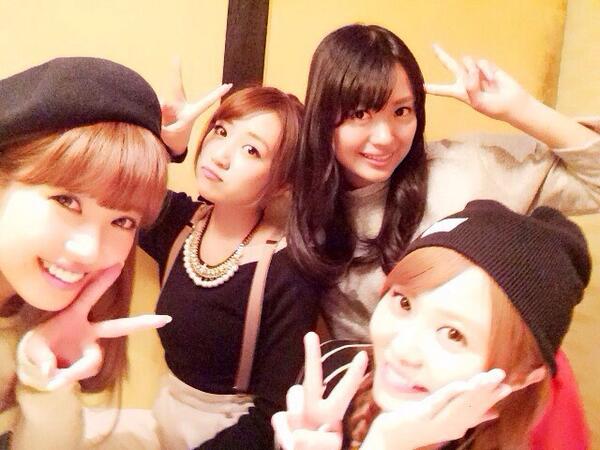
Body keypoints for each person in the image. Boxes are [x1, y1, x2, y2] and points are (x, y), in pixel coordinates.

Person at [288, 24, 600, 340]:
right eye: (359, 114)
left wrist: (520, 109)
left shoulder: (466, 169)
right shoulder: (303, 210)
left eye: (401, 111)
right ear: (323, 117)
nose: (385, 137)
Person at [74, 85, 320, 450]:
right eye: (221, 130)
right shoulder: (180, 224)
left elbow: (272, 413)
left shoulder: (286, 272)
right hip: (165, 417)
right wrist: (166, 147)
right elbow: (117, 186)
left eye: (251, 150)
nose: (220, 155)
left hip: (232, 435)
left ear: (283, 182)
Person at [273, 199, 591, 450]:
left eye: (453, 334)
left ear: (520, 376)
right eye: (404, 303)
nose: (402, 349)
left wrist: (386, 443)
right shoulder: (333, 376)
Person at [0, 56, 174, 448]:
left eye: (122, 221)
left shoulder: (35, 317)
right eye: (67, 201)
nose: (89, 250)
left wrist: (44, 379)